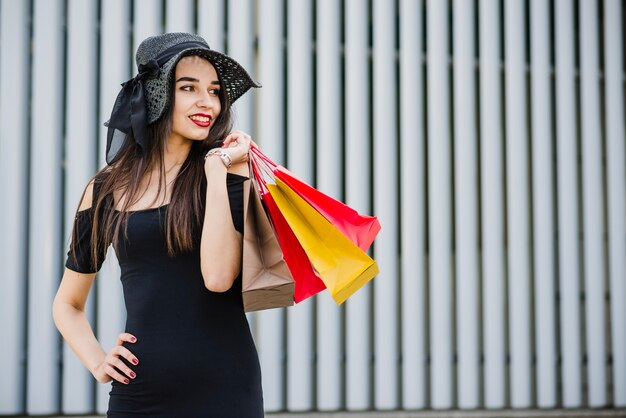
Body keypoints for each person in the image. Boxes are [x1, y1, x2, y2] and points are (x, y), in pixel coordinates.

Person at [52, 32, 263, 417]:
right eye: (189, 87)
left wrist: (216, 172)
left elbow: (218, 278)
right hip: (139, 393)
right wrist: (99, 362)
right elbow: (67, 303)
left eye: (214, 90)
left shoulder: (230, 176)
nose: (207, 102)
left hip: (226, 387)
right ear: (155, 94)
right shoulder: (105, 190)